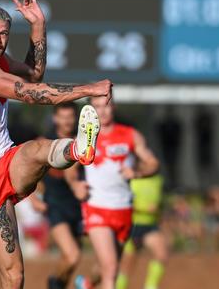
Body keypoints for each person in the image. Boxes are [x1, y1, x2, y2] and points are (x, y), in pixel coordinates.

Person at [0, 0, 112, 289]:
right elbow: (31, 93)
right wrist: (89, 88)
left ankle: (78, 148)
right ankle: (75, 148)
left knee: (37, 148)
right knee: (14, 276)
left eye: (4, 34)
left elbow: (33, 74)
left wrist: (37, 26)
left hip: (5, 159)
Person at [67, 96, 159, 289]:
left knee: (107, 267)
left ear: (113, 107)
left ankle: (89, 284)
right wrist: (76, 185)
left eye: (106, 106)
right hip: (96, 207)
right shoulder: (85, 136)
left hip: (123, 209)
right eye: (97, 107)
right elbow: (69, 168)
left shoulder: (130, 135)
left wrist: (137, 172)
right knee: (111, 267)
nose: (102, 111)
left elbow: (153, 163)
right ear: (91, 110)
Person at [40, 102, 84, 289]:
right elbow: (31, 175)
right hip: (54, 206)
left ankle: (57, 284)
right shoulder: (44, 143)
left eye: (70, 117)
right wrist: (34, 199)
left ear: (75, 119)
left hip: (78, 207)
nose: (66, 121)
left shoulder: (83, 142)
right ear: (55, 118)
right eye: (62, 117)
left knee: (69, 260)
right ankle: (53, 284)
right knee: (73, 255)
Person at [116, 173, 168, 289]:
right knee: (126, 266)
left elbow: (159, 203)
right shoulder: (132, 178)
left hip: (150, 225)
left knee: (161, 254)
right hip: (132, 226)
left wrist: (158, 211)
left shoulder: (157, 180)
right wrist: (144, 209)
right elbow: (123, 201)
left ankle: (151, 286)